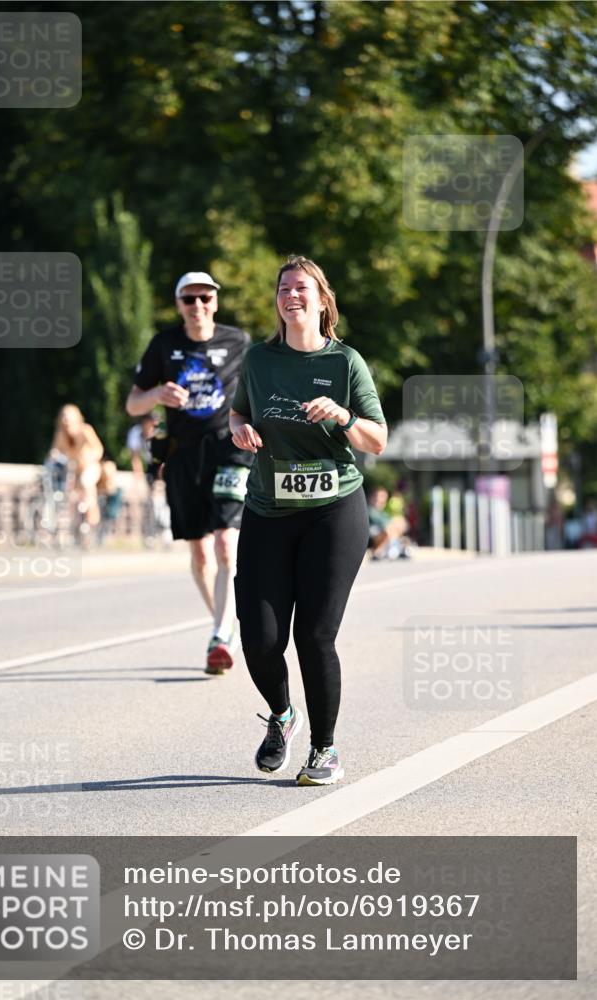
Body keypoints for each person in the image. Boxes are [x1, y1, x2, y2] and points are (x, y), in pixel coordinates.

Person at [230, 255, 387, 786]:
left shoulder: (346, 363)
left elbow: (378, 440)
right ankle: (281, 715)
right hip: (268, 511)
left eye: (301, 288)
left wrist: (344, 417)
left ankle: (324, 750)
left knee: (314, 635)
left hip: (333, 510)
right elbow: (239, 410)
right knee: (258, 637)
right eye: (283, 289)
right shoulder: (258, 361)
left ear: (322, 300)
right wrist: (239, 429)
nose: (290, 296)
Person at [126, 271, 253, 674]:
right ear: (179, 304)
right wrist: (156, 395)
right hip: (182, 456)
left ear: (215, 301)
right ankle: (225, 626)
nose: (197, 306)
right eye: (189, 299)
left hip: (229, 453)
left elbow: (258, 393)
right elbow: (133, 405)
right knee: (200, 554)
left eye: (204, 298)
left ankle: (219, 635)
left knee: (225, 546)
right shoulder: (164, 345)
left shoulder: (239, 342)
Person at [49, 404, 104, 529]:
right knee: (69, 493)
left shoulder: (85, 430)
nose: (66, 422)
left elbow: (98, 449)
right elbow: (54, 451)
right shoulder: (61, 434)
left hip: (90, 467)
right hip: (74, 469)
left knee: (86, 482)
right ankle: (74, 525)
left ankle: (93, 516)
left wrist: (90, 458)